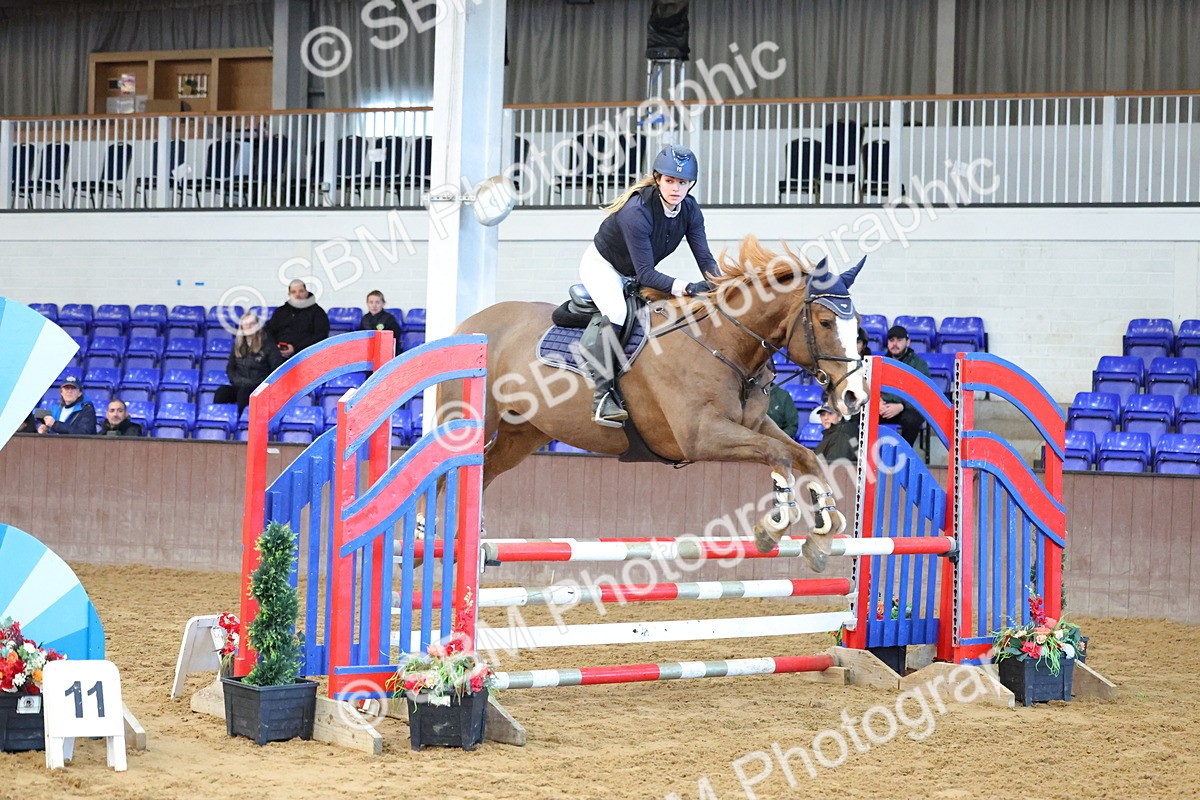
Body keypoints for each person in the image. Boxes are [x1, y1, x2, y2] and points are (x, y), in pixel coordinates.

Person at [577, 144, 720, 427]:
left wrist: (723, 286)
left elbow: (704, 256)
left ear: (691, 184)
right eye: (669, 181)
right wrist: (690, 288)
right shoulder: (636, 211)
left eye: (682, 182)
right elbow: (646, 274)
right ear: (657, 179)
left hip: (632, 272)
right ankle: (602, 398)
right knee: (617, 312)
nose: (676, 188)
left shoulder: (690, 209)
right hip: (603, 267)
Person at [216, 311, 284, 412]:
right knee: (222, 392)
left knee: (244, 393)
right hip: (240, 384)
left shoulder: (269, 345)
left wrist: (254, 383)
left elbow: (276, 369)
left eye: (252, 324)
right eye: (246, 325)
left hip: (260, 388)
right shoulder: (237, 346)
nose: (249, 327)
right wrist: (240, 381)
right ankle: (219, 420)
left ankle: (241, 423)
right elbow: (230, 368)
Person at [879, 325, 931, 445]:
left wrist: (901, 406)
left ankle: (904, 455)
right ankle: (863, 456)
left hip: (906, 409)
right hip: (882, 407)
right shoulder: (879, 362)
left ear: (908, 342)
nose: (895, 344)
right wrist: (876, 401)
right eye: (891, 340)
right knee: (860, 416)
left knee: (912, 420)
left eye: (899, 340)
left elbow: (924, 393)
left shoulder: (918, 364)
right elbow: (869, 386)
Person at [264, 279, 329, 359]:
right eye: (293, 292)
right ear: (289, 294)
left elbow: (320, 336)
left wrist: (295, 348)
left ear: (306, 293)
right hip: (278, 353)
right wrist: (275, 346)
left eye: (301, 291)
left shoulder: (317, 312)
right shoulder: (280, 311)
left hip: (305, 355)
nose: (297, 295)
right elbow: (269, 331)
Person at [359, 290, 402, 355]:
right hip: (368, 352)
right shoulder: (365, 319)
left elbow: (395, 337)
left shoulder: (389, 318)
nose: (374, 305)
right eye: (371, 302)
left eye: (377, 302)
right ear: (367, 304)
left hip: (386, 352)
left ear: (383, 303)